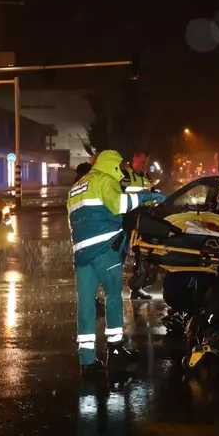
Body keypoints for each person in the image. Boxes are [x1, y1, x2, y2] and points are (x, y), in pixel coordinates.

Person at [67, 150, 166, 377]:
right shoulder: (105, 180)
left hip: (82, 255)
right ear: (110, 164)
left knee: (86, 305)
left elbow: (71, 222)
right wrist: (147, 197)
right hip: (105, 251)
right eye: (119, 166)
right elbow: (119, 204)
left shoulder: (77, 187)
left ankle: (87, 361)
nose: (121, 170)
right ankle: (116, 349)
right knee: (113, 297)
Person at [120, 150, 156, 300]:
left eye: (146, 163)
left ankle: (137, 288)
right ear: (134, 159)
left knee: (143, 254)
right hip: (129, 218)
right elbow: (118, 196)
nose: (144, 166)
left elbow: (151, 195)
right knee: (122, 253)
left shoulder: (146, 177)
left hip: (144, 218)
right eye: (142, 163)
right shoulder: (126, 175)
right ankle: (112, 287)